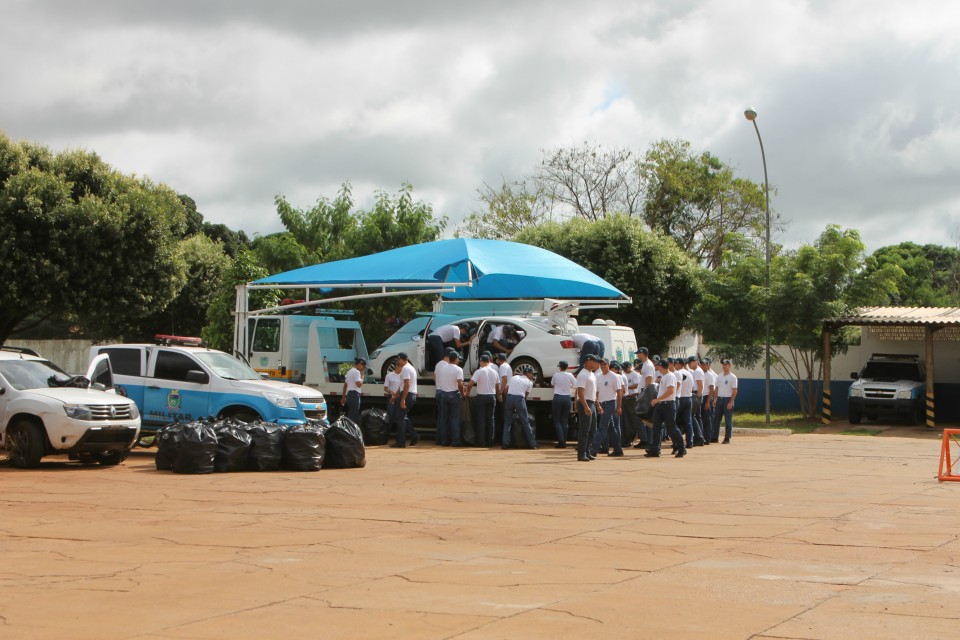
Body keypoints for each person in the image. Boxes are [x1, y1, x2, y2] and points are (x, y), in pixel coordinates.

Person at [647, 358, 686, 458]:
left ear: (661, 366)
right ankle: (655, 449)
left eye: (658, 366)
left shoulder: (670, 376)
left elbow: (671, 391)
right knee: (656, 427)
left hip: (668, 405)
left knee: (672, 428)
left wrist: (657, 399)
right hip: (661, 405)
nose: (657, 368)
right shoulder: (664, 376)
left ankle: (682, 448)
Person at [502, 365, 539, 450]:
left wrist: (508, 398)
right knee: (525, 422)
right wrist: (520, 405)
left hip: (510, 398)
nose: (533, 376)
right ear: (527, 373)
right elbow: (525, 396)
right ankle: (533, 444)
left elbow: (506, 390)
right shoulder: (529, 383)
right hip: (520, 399)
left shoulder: (514, 378)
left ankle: (505, 444)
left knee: (507, 423)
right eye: (532, 374)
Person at [466, 353, 499, 447]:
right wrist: (497, 394)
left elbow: (470, 383)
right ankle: (490, 441)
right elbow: (497, 385)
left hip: (481, 397)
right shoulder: (495, 372)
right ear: (489, 361)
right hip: (492, 396)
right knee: (491, 419)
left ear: (481, 362)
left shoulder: (479, 371)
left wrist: (467, 392)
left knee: (481, 419)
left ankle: (481, 441)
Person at [593, 359, 624, 457]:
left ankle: (593, 449)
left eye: (604, 364)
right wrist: (597, 404)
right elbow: (597, 392)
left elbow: (619, 393)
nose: (602, 366)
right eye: (601, 364)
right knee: (611, 428)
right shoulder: (598, 376)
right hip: (602, 403)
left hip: (611, 403)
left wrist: (619, 407)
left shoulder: (614, 376)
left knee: (602, 427)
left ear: (608, 365)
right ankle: (618, 449)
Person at [436, 351, 466, 446]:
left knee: (444, 419)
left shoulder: (443, 368)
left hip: (444, 394)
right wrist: (463, 393)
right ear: (456, 359)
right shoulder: (458, 369)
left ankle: (444, 441)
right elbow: (460, 384)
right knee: (454, 419)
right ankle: (455, 441)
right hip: (454, 394)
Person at [385, 361, 418, 446]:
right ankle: (413, 435)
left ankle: (401, 441)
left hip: (404, 396)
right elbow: (402, 386)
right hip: (401, 396)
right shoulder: (407, 369)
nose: (398, 366)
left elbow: (406, 385)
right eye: (397, 365)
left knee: (400, 418)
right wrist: (395, 396)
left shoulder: (405, 370)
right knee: (401, 417)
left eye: (399, 364)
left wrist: (402, 399)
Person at [575, 354, 600, 462]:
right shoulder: (583, 374)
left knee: (592, 430)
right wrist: (585, 406)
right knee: (584, 430)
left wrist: (597, 405)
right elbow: (580, 391)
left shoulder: (592, 374)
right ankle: (581, 454)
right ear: (588, 361)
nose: (597, 364)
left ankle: (587, 451)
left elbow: (593, 392)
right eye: (595, 361)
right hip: (585, 402)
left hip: (591, 402)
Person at [633, 348, 657, 448]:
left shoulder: (648, 365)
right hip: (645, 392)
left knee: (646, 418)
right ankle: (646, 440)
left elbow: (648, 381)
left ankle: (648, 441)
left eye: (639, 354)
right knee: (644, 418)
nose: (638, 355)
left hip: (646, 393)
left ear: (643, 354)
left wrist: (644, 395)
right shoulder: (646, 364)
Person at [550, 360, 577, 448]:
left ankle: (561, 441)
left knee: (557, 420)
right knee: (564, 421)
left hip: (558, 397)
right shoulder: (570, 375)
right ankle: (564, 441)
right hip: (567, 398)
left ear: (560, 367)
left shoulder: (556, 375)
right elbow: (575, 385)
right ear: (567, 367)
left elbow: (552, 384)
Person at [714, 359, 739, 444]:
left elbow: (734, 391)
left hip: (727, 399)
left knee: (728, 420)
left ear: (729, 366)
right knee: (716, 419)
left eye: (726, 365)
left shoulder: (733, 377)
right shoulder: (719, 376)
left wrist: (731, 402)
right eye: (723, 365)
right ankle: (714, 437)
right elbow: (716, 388)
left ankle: (727, 438)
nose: (724, 366)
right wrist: (715, 399)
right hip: (719, 399)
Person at [621, 360, 640, 448]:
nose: (624, 370)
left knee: (631, 419)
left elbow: (636, 385)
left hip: (632, 398)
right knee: (625, 420)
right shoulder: (624, 374)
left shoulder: (634, 374)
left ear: (629, 367)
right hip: (625, 398)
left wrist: (625, 387)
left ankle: (630, 439)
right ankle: (625, 439)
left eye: (625, 368)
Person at [340, 358, 365, 424]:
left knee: (351, 414)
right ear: (359, 364)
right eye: (363, 365)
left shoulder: (350, 371)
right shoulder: (356, 372)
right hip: (354, 395)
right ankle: (350, 431)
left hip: (349, 394)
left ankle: (348, 429)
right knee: (354, 415)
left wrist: (343, 397)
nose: (363, 368)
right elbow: (359, 384)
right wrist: (362, 376)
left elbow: (345, 385)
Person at [689, 356, 706, 446]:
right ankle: (699, 436)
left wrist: (698, 397)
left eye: (690, 362)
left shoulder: (698, 371)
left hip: (697, 394)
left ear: (695, 362)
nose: (689, 364)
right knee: (696, 417)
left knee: (693, 416)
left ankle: (699, 436)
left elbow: (700, 385)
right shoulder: (696, 371)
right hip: (696, 393)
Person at [700, 357, 717, 445]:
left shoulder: (710, 375)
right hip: (701, 397)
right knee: (701, 418)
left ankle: (707, 438)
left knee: (707, 419)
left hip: (707, 397)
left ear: (707, 365)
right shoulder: (700, 373)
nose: (702, 366)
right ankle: (701, 436)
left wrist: (708, 402)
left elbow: (711, 389)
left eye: (704, 364)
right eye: (701, 364)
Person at [496, 352, 512, 443]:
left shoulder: (502, 367)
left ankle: (504, 440)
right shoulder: (508, 366)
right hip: (508, 390)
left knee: (504, 416)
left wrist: (500, 392)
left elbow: (504, 379)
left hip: (505, 391)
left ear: (499, 360)